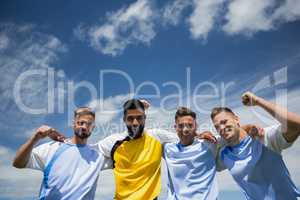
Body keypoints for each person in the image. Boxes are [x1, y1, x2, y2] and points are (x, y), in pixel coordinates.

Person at [211, 91, 300, 200]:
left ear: (236, 119)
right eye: (217, 127)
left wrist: (258, 101)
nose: (221, 128)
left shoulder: (263, 137)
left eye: (224, 122)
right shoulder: (224, 154)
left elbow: (296, 125)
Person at [13, 107, 112, 200]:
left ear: (93, 127)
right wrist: (35, 138)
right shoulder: (52, 148)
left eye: (89, 124)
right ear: (74, 124)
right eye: (81, 123)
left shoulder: (98, 156)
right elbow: (18, 163)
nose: (84, 127)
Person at [163, 107, 219, 200]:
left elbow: (236, 134)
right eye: (181, 126)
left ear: (196, 126)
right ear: (175, 127)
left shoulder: (209, 143)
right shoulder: (168, 149)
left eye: (190, 125)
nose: (185, 129)